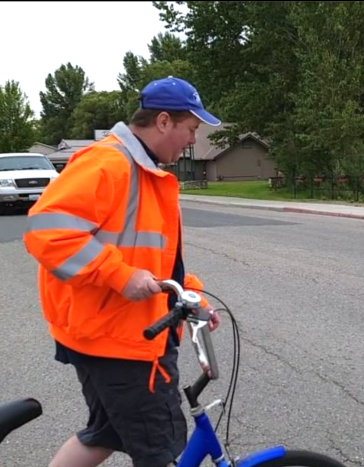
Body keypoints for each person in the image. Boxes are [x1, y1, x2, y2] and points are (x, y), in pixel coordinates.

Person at [23, 76, 222, 467]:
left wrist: (190, 294)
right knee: (159, 449)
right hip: (120, 340)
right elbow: (45, 231)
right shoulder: (110, 163)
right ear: (163, 121)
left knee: (105, 433)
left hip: (108, 333)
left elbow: (153, 259)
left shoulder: (141, 169)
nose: (192, 141)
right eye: (191, 129)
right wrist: (118, 275)